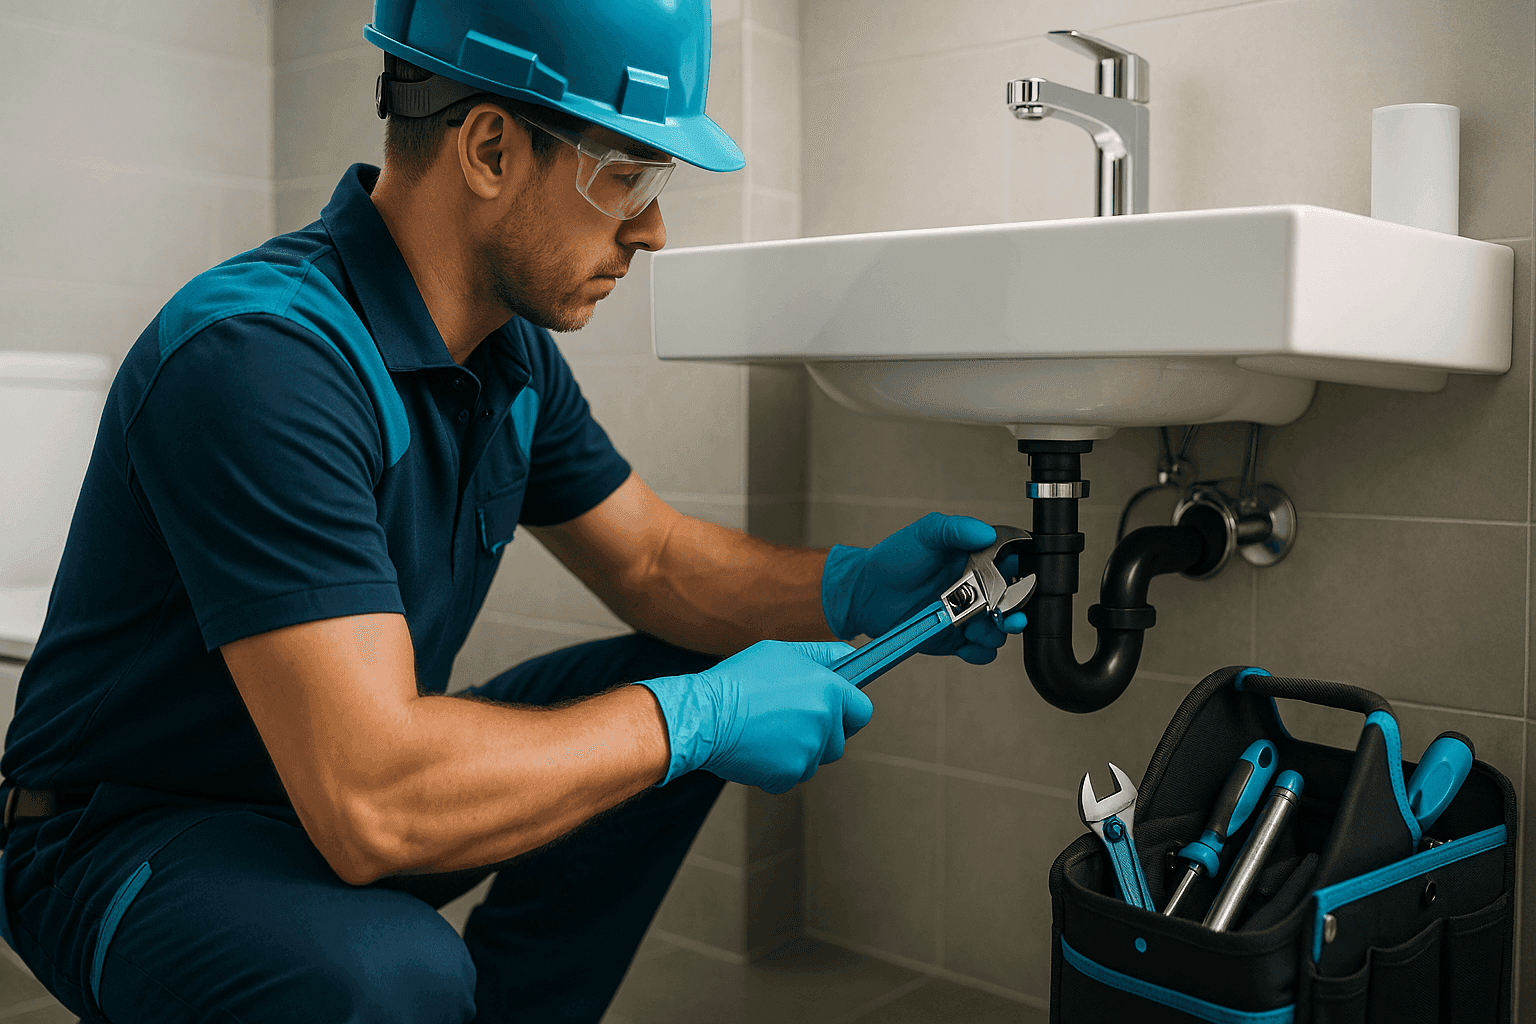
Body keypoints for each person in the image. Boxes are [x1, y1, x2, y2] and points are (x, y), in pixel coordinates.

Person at [0, 2, 1026, 1020]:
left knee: (675, 672)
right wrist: (698, 721)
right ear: (489, 147)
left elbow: (656, 561)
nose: (655, 229)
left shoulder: (509, 354)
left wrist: (851, 587)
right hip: (130, 836)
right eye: (626, 174)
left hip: (338, 784)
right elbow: (372, 801)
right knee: (391, 975)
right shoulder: (261, 360)